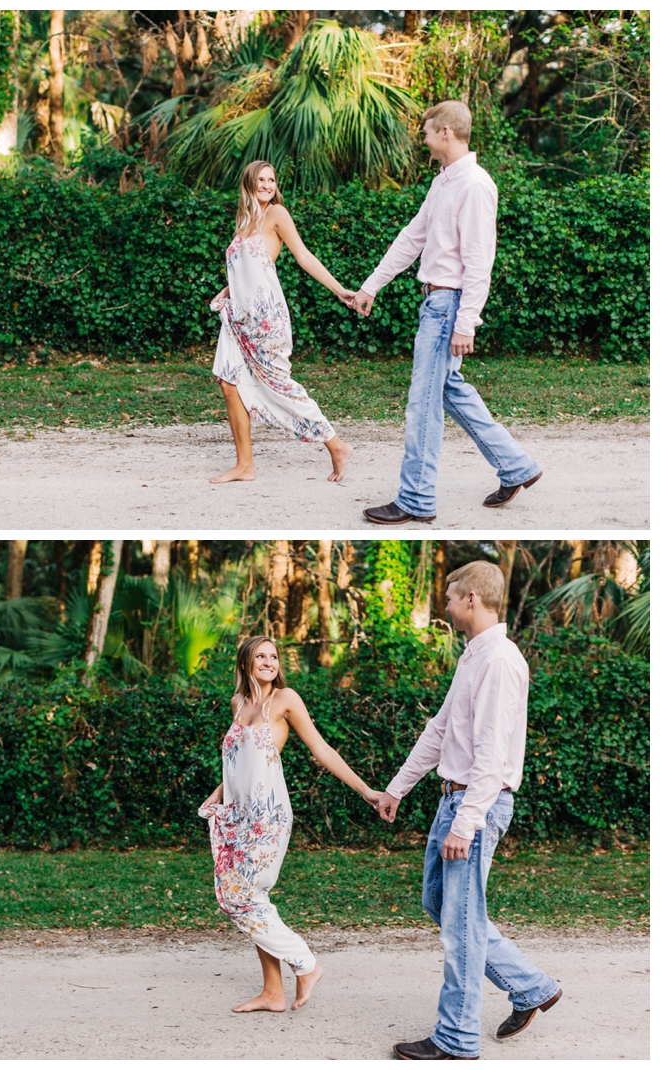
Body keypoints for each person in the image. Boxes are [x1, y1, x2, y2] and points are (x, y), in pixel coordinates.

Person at [374, 561, 561, 1060]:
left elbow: (493, 755)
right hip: (452, 798)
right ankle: (532, 987)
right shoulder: (473, 657)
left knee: (459, 924)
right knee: (443, 907)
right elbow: (440, 730)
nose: (447, 604)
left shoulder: (499, 660)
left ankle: (456, 1037)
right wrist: (398, 788)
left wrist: (466, 821)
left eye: (452, 596)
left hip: (474, 806)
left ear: (474, 598)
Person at [351, 101, 542, 525]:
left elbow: (479, 261)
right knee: (449, 391)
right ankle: (516, 466)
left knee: (423, 404)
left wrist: (466, 321)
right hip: (435, 302)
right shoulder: (444, 182)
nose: (422, 138)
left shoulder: (474, 185)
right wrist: (371, 286)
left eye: (426, 131)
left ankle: (416, 498)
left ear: (446, 133)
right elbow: (412, 236)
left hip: (448, 306)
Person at [199, 635, 379, 1012]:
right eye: (261, 656)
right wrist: (219, 792)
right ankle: (273, 992)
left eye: (274, 656)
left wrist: (365, 790)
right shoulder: (238, 704)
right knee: (250, 899)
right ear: (246, 662)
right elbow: (239, 760)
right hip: (237, 812)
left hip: (268, 815)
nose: (269, 661)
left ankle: (306, 964)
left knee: (241, 898)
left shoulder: (286, 700)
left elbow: (321, 748)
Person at [209, 160, 355, 484]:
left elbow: (304, 257)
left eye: (271, 180)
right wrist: (224, 293)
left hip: (265, 319)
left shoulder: (277, 214)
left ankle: (335, 444)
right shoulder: (244, 220)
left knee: (280, 387)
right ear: (248, 183)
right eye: (261, 179)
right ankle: (244, 465)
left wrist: (340, 290)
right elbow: (245, 272)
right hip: (238, 317)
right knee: (228, 383)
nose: (266, 185)